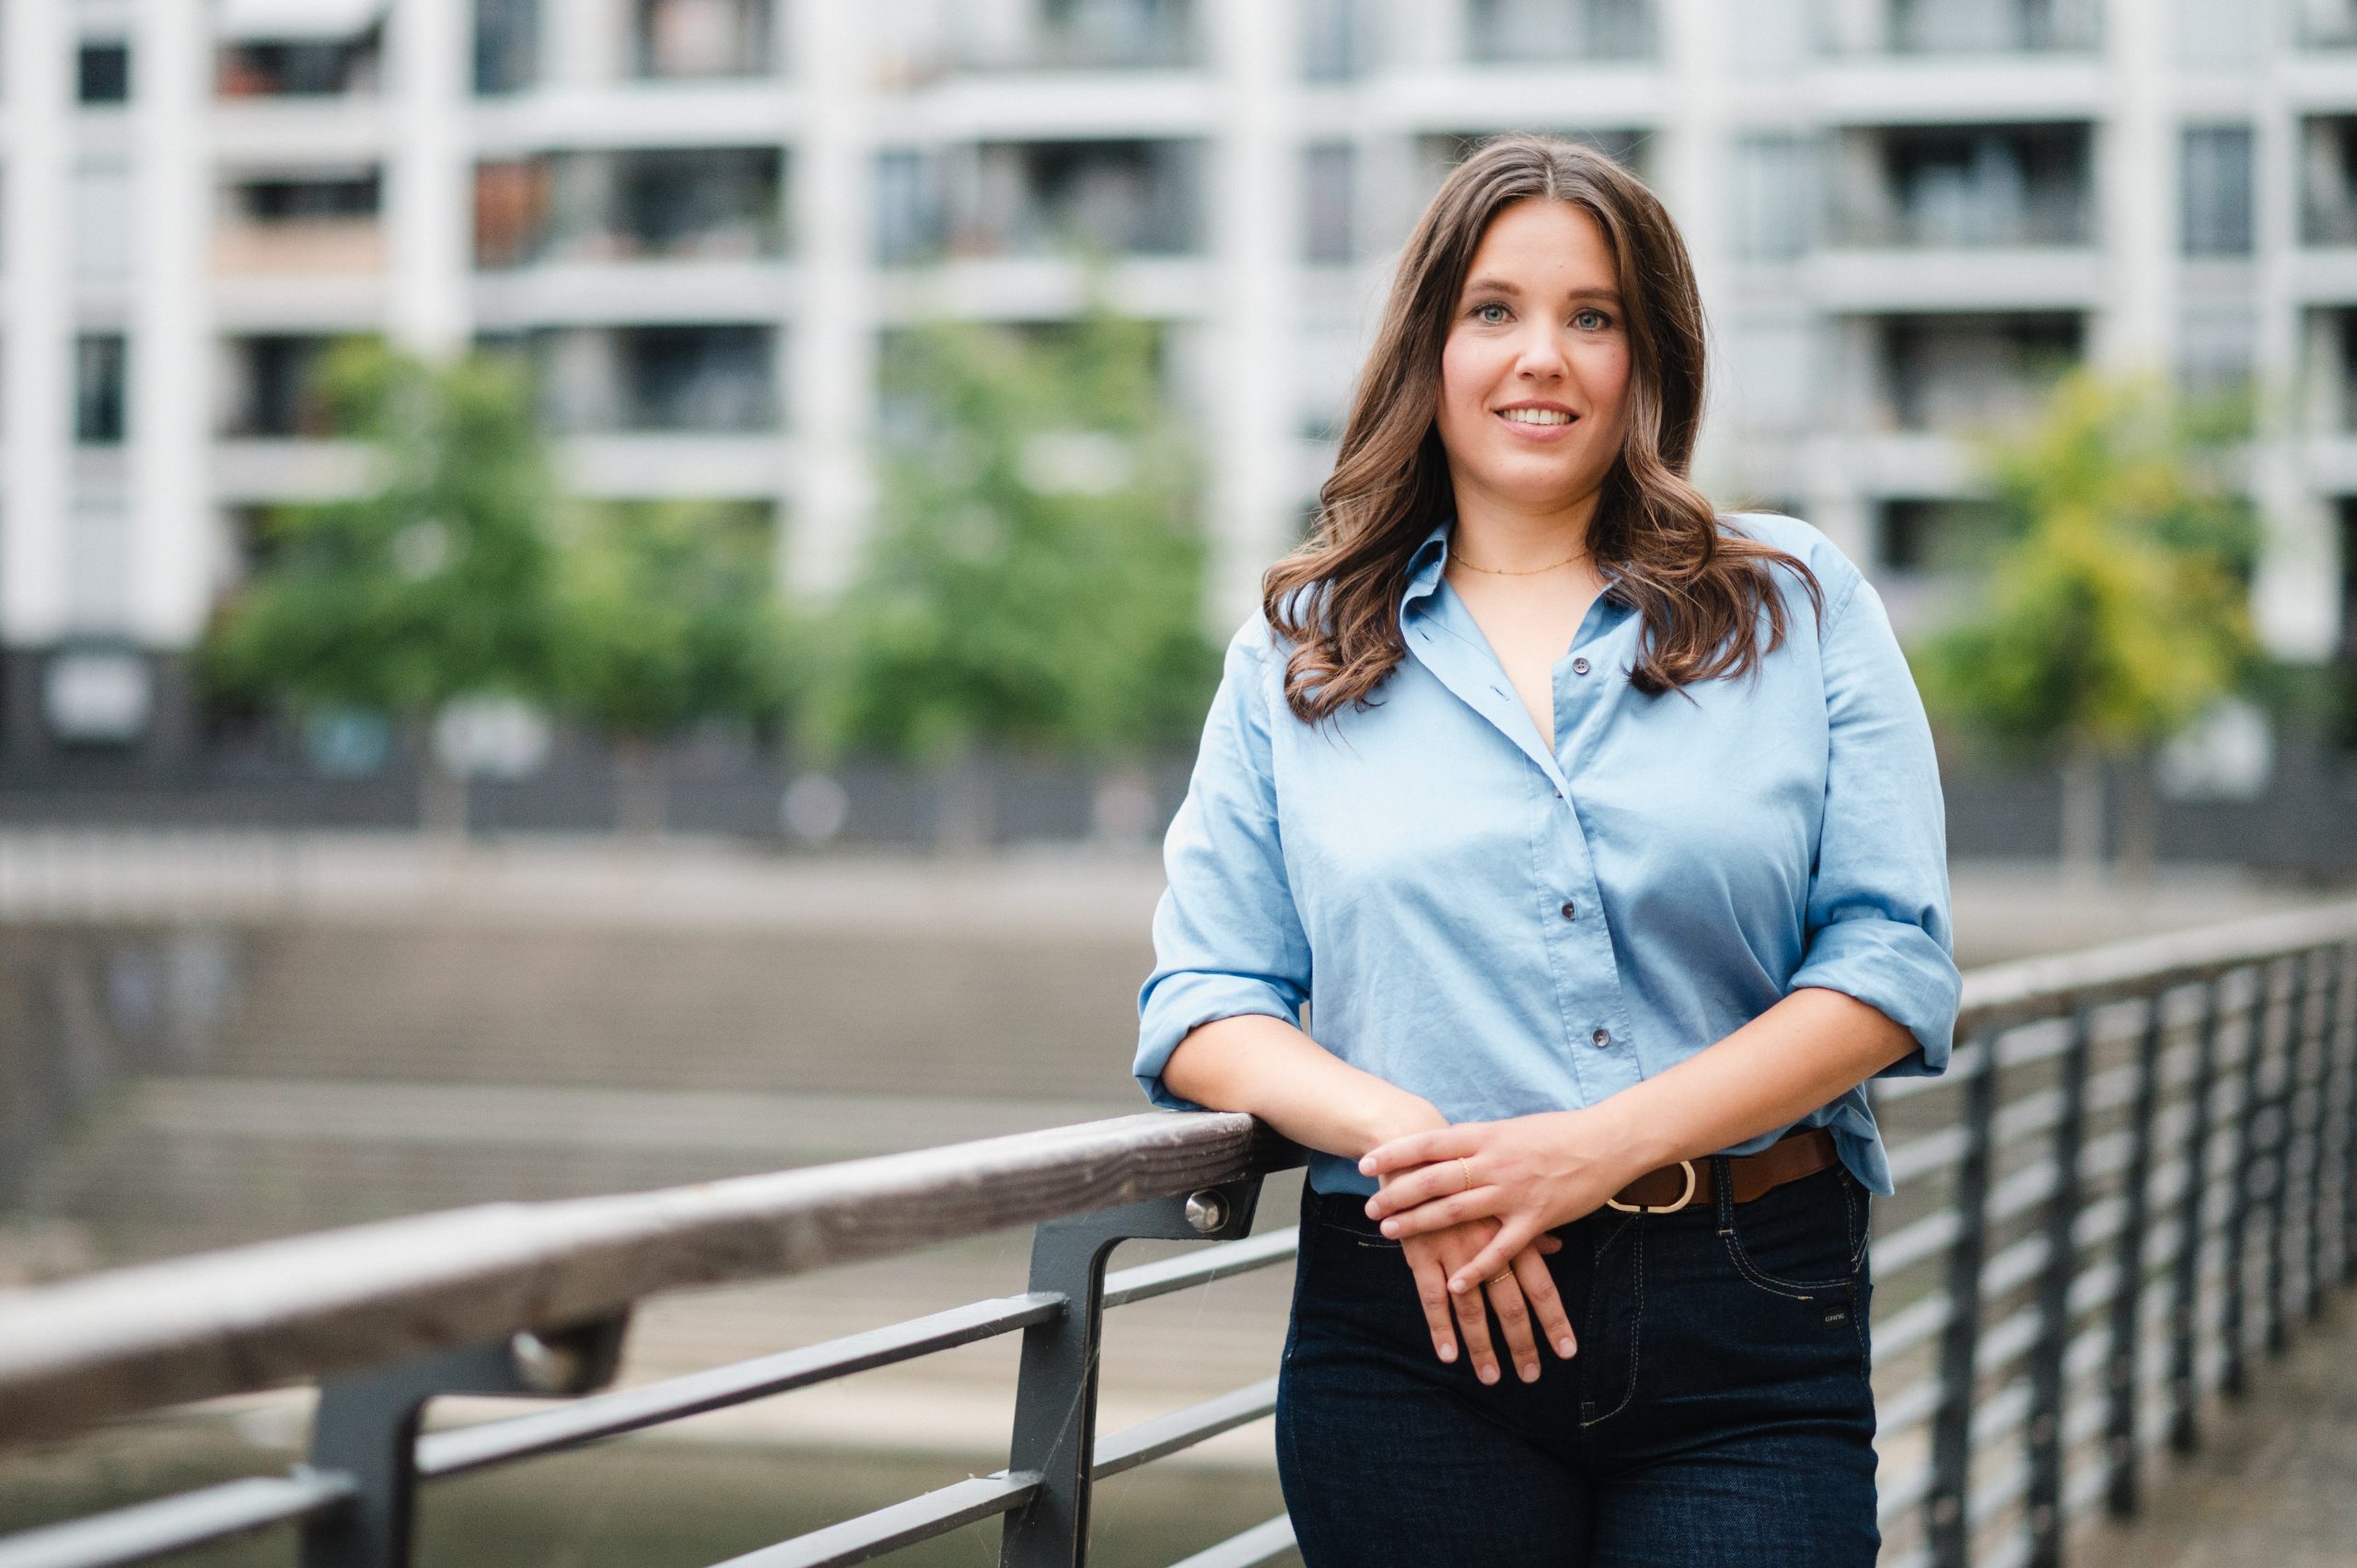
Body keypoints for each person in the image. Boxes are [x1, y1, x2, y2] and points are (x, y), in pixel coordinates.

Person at [1132, 134, 1960, 1564]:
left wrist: (1593, 1153)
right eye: (1494, 312)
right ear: (1429, 347)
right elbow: (1204, 1002)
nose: (1544, 359)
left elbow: (1891, 965)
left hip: (1747, 1321)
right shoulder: (1300, 650)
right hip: (1414, 1324)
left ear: (1650, 360)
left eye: (1594, 317)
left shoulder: (1797, 598)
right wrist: (1405, 1135)